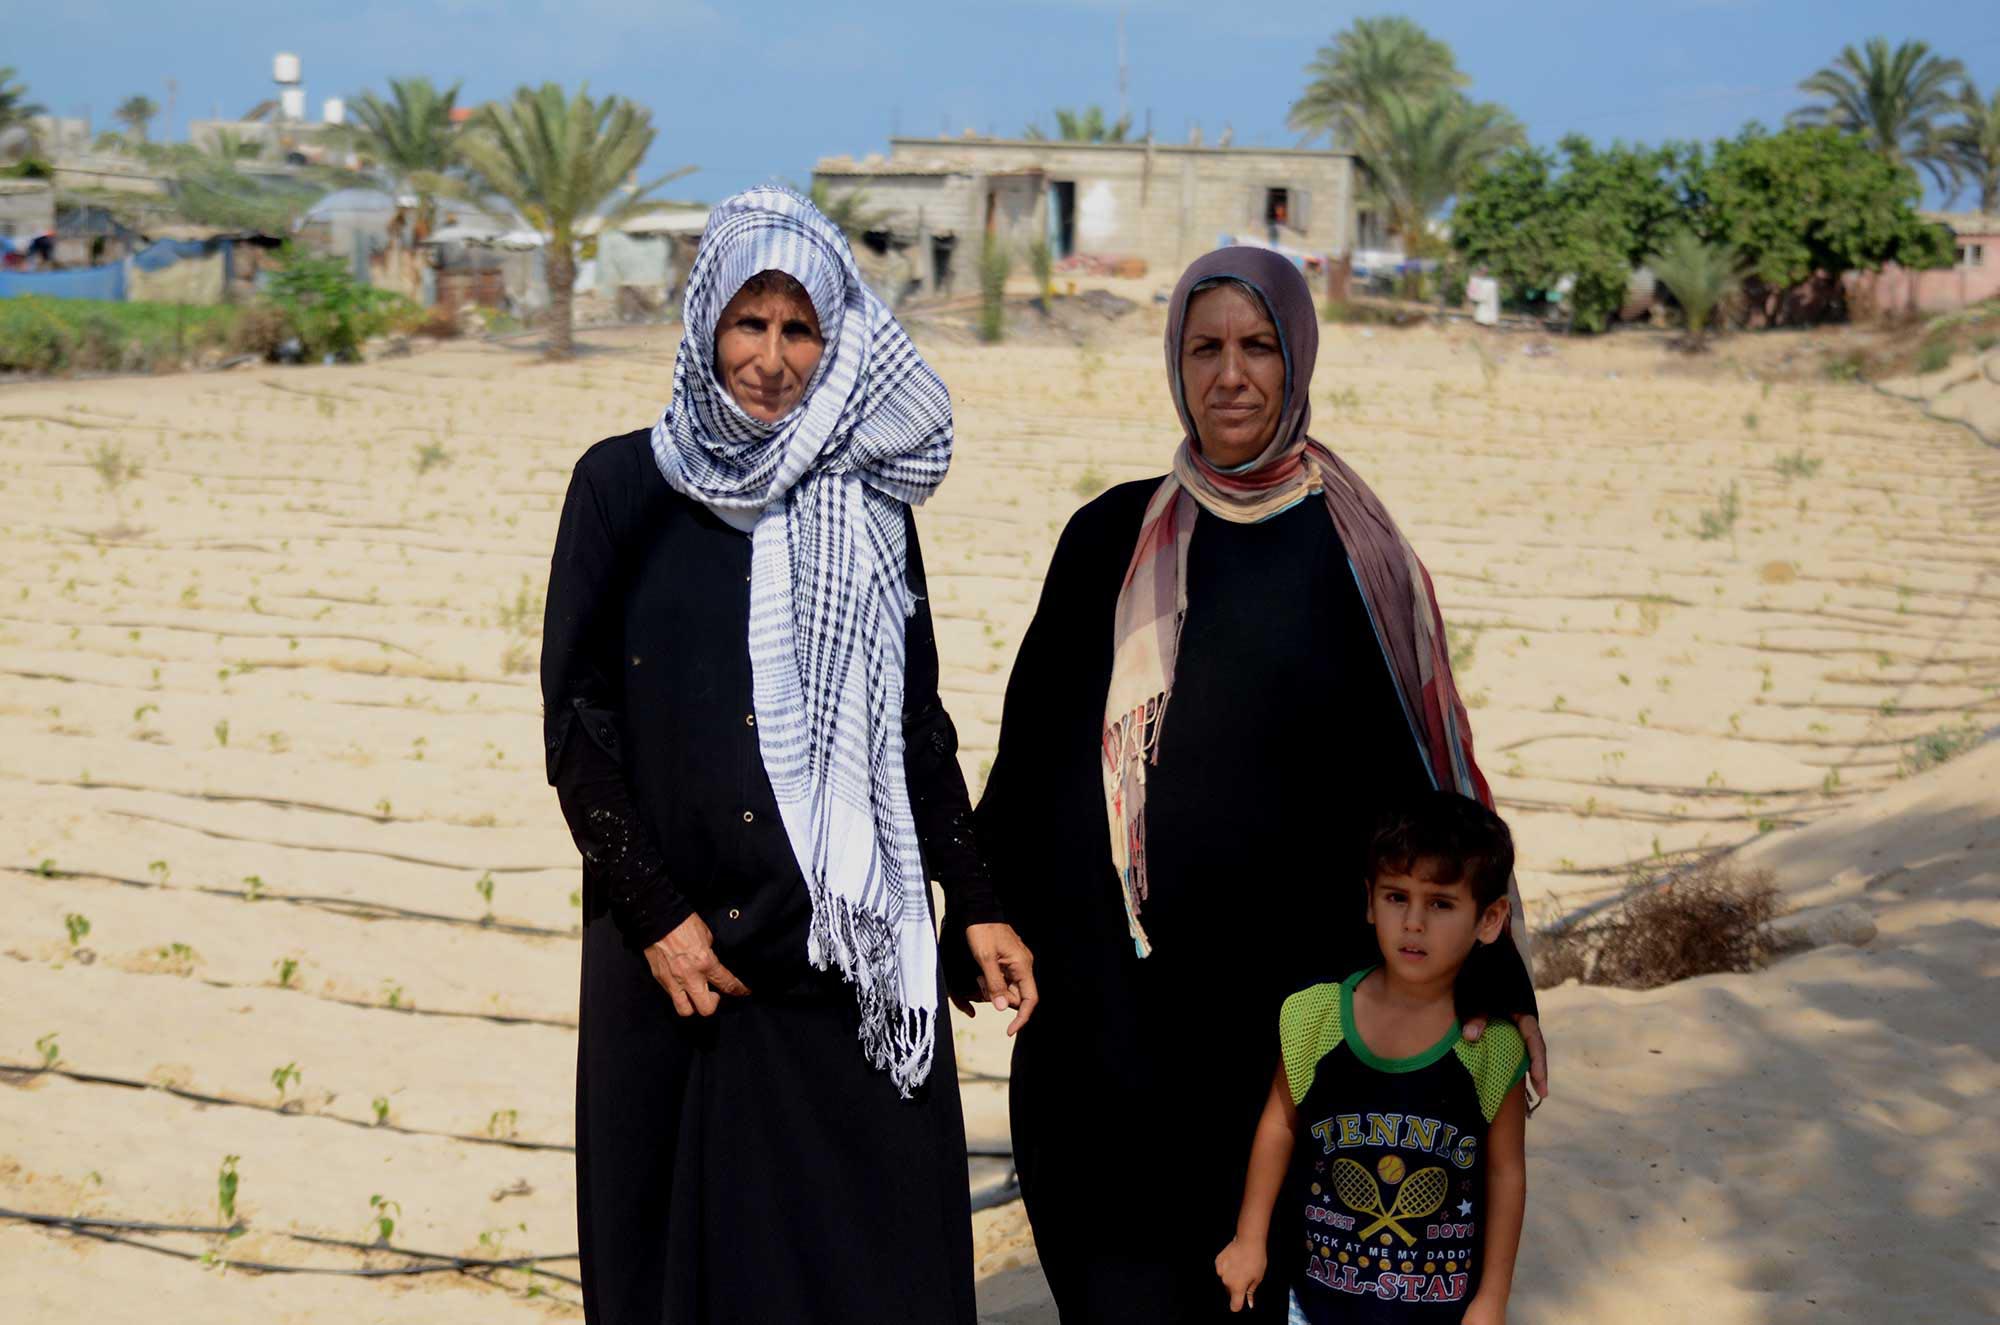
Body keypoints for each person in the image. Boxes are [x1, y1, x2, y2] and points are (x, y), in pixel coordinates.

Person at [975, 245, 1546, 1323]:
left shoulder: (1354, 551)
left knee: (1275, 1276)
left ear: (1297, 360)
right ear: (1173, 364)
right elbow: (1034, 744)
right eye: (1203, 348)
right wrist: (983, 903)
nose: (1228, 375)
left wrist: (1492, 969)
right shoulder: (1109, 535)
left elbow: (1419, 783)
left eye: (1255, 347)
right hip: (1118, 1011)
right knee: (1118, 1274)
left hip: (1288, 1019)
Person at [541, 186, 1037, 1325]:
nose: (769, 357)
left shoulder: (866, 502)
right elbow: (577, 722)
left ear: (836, 340)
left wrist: (976, 899)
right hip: (679, 961)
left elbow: (914, 717)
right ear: (705, 320)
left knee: (870, 1262)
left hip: (842, 959)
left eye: (798, 328)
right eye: (748, 323)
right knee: (684, 1264)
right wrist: (656, 911)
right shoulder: (624, 487)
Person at [1215, 792, 1529, 1324]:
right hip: (1315, 1305)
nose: (1412, 922)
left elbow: (1506, 1175)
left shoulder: (1492, 1048)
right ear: (1369, 901)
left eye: (1441, 903)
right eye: (1395, 897)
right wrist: (1250, 1238)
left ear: (1491, 919)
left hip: (1443, 1313)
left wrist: (1492, 1299)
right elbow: (1278, 1127)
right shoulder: (1314, 1017)